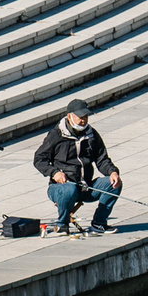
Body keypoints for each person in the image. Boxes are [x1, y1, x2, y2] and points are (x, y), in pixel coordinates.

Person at [33, 98, 122, 235]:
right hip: (61, 187)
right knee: (69, 189)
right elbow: (39, 159)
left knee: (113, 184)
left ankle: (99, 223)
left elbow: (102, 159)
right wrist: (54, 173)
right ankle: (62, 224)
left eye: (86, 116)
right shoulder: (56, 135)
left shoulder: (92, 135)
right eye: (80, 117)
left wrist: (112, 172)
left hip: (86, 186)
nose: (83, 120)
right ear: (69, 116)